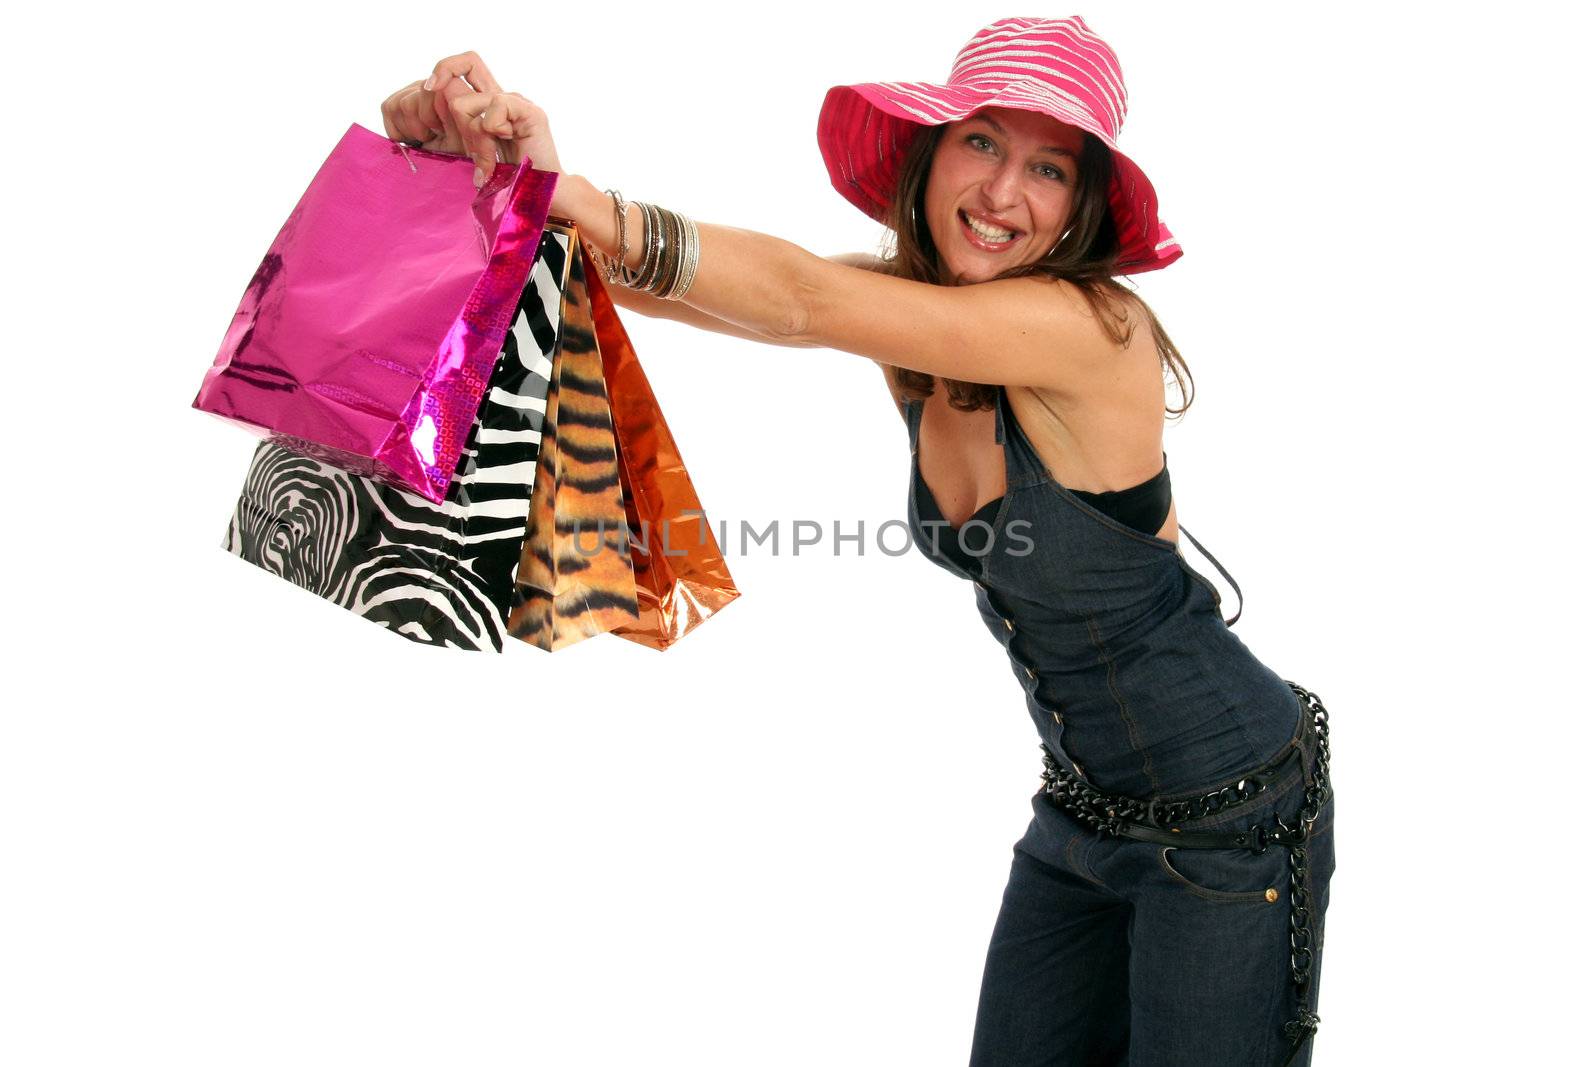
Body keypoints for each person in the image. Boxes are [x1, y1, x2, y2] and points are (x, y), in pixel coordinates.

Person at [381, 15, 1335, 1066]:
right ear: (929, 152)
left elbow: (800, 300)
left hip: (1231, 812)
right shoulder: (912, 319)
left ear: (1082, 206)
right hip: (1079, 809)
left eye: (1048, 168)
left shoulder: (1087, 329)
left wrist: (582, 203)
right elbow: (676, 284)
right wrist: (517, 182)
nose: (1001, 193)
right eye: (979, 142)